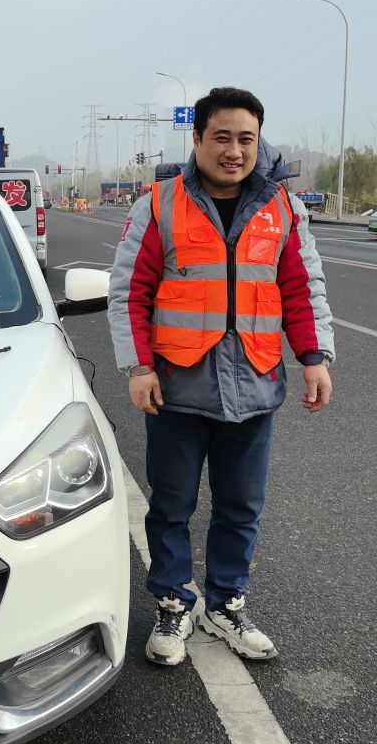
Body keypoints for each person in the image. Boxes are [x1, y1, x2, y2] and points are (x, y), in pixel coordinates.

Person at [107, 87, 334, 666]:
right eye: (222, 137)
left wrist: (314, 357)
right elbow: (130, 292)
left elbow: (301, 289)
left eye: (245, 139)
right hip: (178, 390)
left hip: (254, 387)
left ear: (258, 142)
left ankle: (226, 604)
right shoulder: (159, 205)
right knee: (171, 507)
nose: (234, 150)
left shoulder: (282, 209)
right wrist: (139, 367)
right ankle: (173, 605)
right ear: (198, 139)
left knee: (241, 508)